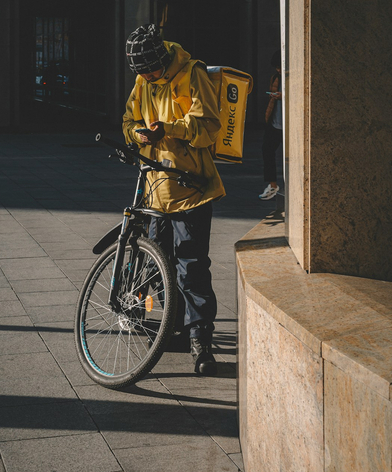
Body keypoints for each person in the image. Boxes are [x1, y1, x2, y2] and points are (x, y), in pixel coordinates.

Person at [122, 24, 225, 375]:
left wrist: (168, 128)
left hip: (190, 189)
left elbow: (208, 126)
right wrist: (137, 132)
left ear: (162, 59)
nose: (148, 77)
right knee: (160, 265)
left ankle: (201, 340)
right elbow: (128, 120)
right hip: (156, 190)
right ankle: (175, 330)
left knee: (192, 268)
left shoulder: (192, 74)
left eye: (151, 70)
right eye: (142, 73)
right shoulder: (143, 83)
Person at [259, 49, 283, 200]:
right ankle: (273, 185)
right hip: (275, 122)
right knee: (267, 150)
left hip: (289, 124)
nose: (278, 70)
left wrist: (284, 96)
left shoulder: (295, 78)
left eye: (279, 66)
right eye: (276, 67)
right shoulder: (276, 78)